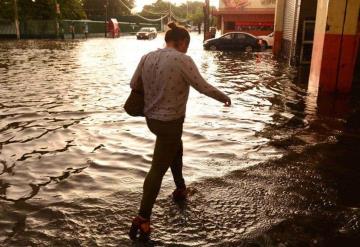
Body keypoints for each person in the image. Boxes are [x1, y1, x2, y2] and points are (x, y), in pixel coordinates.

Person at [128, 22, 231, 241]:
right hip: (169, 123)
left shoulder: (147, 56)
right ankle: (143, 217)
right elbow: (202, 86)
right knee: (157, 169)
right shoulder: (182, 59)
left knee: (176, 147)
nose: (186, 48)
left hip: (151, 120)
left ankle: (180, 187)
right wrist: (224, 97)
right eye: (186, 44)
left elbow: (133, 83)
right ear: (182, 42)